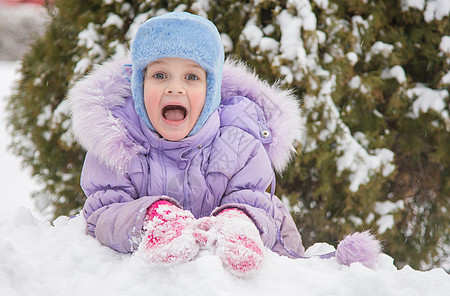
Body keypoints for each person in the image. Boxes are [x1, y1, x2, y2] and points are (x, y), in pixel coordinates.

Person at [69, 12, 380, 277]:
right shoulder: (117, 141)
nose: (174, 88)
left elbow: (262, 206)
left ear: (212, 90)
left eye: (192, 77)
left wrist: (239, 221)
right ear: (139, 85)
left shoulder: (239, 141)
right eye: (160, 75)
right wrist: (152, 217)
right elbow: (101, 213)